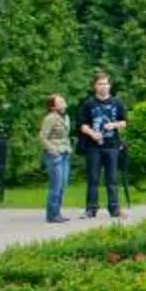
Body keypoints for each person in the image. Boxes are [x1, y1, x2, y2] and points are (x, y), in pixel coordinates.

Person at [77, 70, 128, 217]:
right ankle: (91, 209)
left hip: (112, 146)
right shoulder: (88, 104)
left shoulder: (117, 103)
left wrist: (114, 125)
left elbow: (124, 122)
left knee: (112, 179)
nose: (103, 86)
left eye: (106, 84)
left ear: (110, 85)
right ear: (95, 86)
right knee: (93, 178)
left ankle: (114, 208)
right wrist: (92, 134)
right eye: (100, 84)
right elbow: (82, 124)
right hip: (94, 147)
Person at [38, 93, 72, 221]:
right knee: (56, 185)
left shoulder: (65, 117)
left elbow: (65, 136)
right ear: (53, 107)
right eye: (60, 101)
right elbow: (42, 137)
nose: (63, 102)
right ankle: (52, 215)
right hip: (55, 155)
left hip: (65, 153)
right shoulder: (50, 118)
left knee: (63, 185)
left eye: (63, 100)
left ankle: (57, 212)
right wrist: (53, 150)